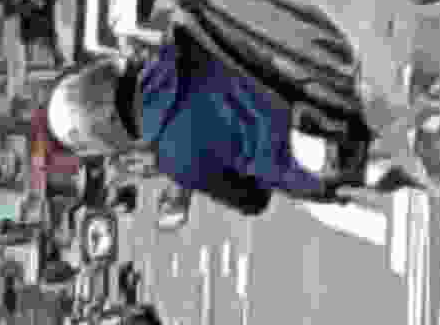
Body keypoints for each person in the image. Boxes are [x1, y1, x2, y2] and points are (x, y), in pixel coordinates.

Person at [47, 34, 319, 219]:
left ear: (103, 136)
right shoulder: (176, 43)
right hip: (309, 71)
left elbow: (254, 200)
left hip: (314, 158)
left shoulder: (175, 160)